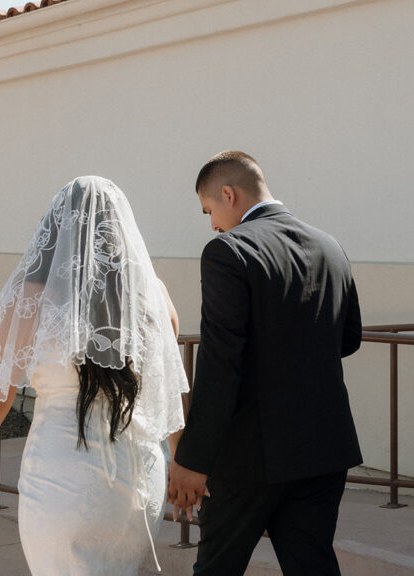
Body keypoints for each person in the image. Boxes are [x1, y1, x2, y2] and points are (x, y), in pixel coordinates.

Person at [0, 176, 189, 575]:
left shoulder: (32, 299)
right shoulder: (154, 296)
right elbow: (169, 392)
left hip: (64, 478)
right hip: (139, 481)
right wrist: (181, 462)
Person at [168, 151, 363, 575]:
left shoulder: (227, 250)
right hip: (323, 446)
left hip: (248, 458)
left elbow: (221, 364)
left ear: (228, 194)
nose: (213, 224)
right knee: (312, 565)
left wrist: (193, 459)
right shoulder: (331, 247)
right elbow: (347, 340)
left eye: (210, 211)